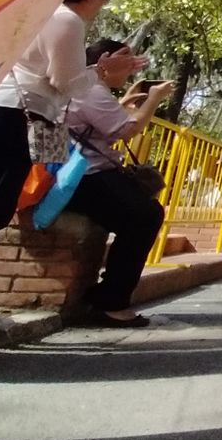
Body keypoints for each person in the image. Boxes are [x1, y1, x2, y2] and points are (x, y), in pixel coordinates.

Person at [0, 0, 144, 336]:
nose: (101, 7)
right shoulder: (66, 20)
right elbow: (65, 83)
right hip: (12, 119)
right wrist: (102, 71)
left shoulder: (34, 11)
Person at [63, 40, 174, 328]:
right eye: (126, 58)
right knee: (145, 215)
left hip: (89, 173)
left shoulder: (86, 89)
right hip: (87, 177)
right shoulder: (91, 91)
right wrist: (154, 99)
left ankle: (109, 294)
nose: (132, 65)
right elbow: (128, 129)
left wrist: (125, 102)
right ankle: (110, 301)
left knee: (143, 212)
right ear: (105, 59)